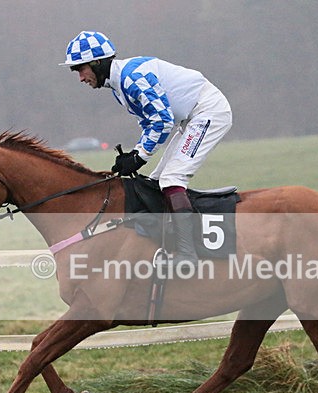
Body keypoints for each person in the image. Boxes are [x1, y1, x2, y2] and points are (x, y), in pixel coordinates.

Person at [60, 30, 233, 267]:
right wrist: (135, 154)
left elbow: (162, 121)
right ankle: (168, 244)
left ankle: (187, 254)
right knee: (156, 181)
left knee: (172, 179)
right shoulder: (119, 86)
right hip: (191, 118)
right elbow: (149, 123)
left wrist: (139, 157)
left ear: (97, 63)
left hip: (208, 112)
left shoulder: (131, 78)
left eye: (81, 69)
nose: (81, 78)